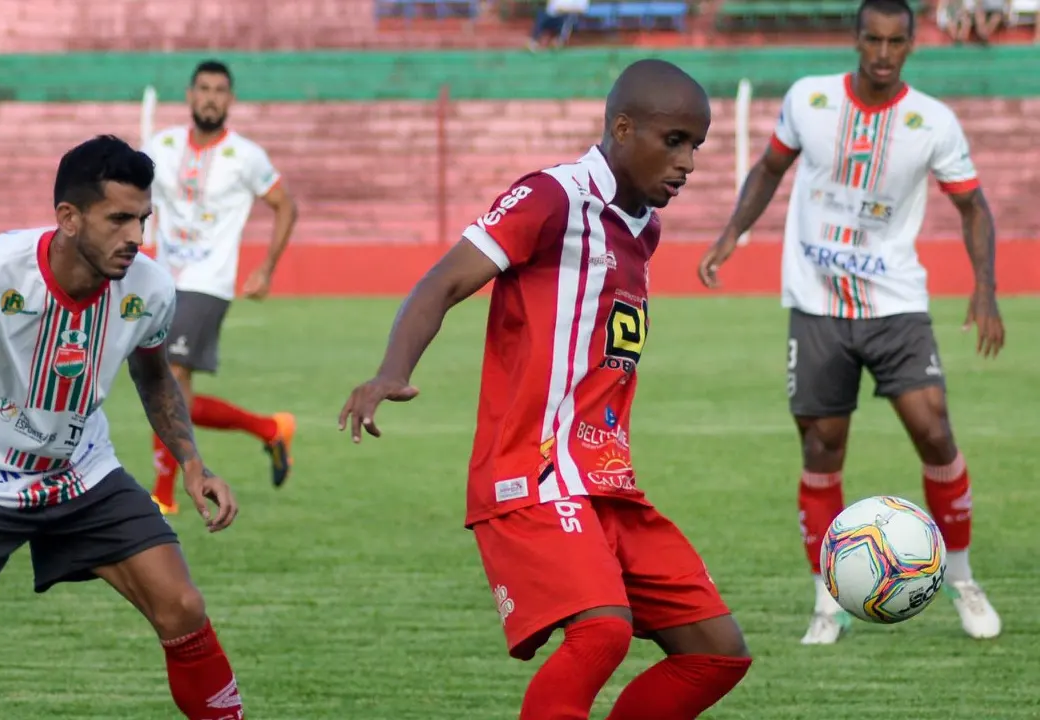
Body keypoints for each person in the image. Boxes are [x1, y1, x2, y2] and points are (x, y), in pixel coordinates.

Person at [340, 59, 752, 720]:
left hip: (607, 481)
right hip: (531, 472)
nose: (689, 163)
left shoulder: (644, 226)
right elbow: (444, 280)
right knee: (602, 631)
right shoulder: (553, 197)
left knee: (717, 652)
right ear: (623, 129)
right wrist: (393, 370)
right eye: (674, 141)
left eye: (696, 145)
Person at [0, 135, 244, 720]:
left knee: (183, 606)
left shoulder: (151, 289)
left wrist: (192, 462)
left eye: (142, 219)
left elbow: (155, 376)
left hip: (80, 474)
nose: (135, 237)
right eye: (118, 219)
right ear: (68, 217)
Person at [698, 0, 1004, 645]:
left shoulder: (933, 122)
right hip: (818, 305)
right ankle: (826, 602)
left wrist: (986, 289)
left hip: (895, 305)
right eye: (873, 40)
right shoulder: (809, 100)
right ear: (856, 39)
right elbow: (769, 168)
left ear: (911, 44)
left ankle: (962, 578)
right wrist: (731, 235)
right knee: (821, 448)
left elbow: (974, 207)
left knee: (935, 432)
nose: (883, 54)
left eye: (896, 42)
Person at [142, 59, 299, 515]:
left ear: (230, 100)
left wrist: (266, 268)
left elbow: (285, 206)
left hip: (208, 283)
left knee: (169, 381)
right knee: (172, 395)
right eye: (204, 89)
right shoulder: (162, 146)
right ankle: (270, 429)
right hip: (162, 280)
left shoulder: (246, 156)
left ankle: (163, 495)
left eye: (219, 91)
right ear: (190, 96)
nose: (211, 98)